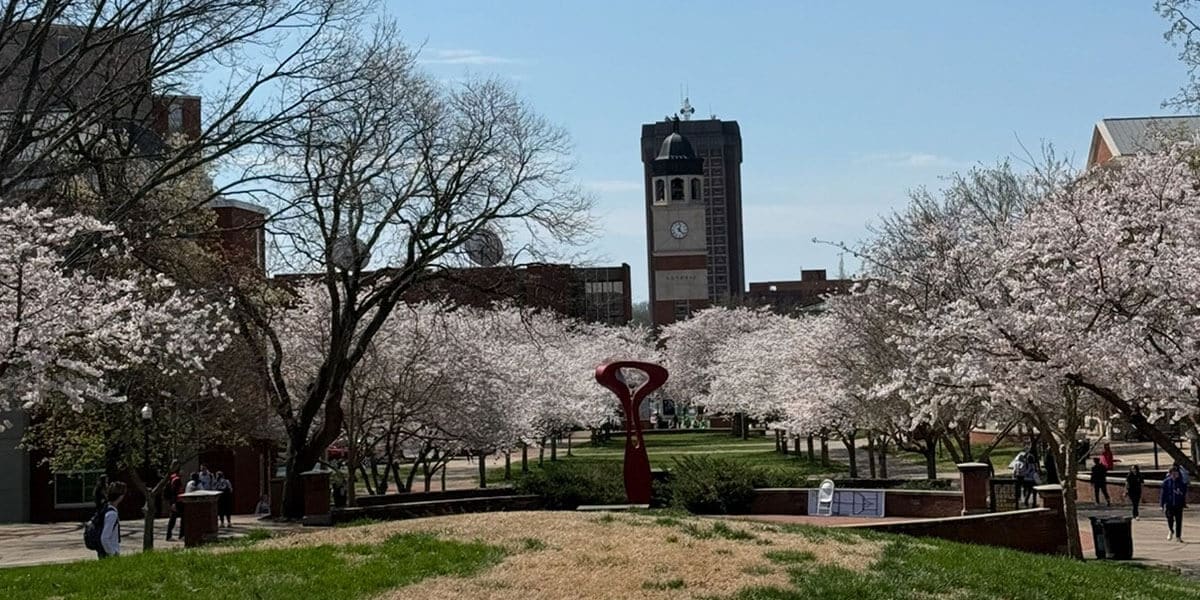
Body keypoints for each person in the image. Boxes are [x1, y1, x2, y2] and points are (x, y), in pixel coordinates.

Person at [99, 482, 127, 559]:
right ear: (120, 496)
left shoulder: (105, 508)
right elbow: (104, 538)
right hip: (109, 554)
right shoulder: (112, 514)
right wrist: (113, 553)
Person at [1162, 466, 1189, 542]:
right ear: (1170, 474)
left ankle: (1178, 536)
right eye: (1172, 473)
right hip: (1169, 504)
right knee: (1169, 518)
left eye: (1176, 473)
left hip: (1178, 504)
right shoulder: (1166, 482)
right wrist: (1162, 504)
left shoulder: (1181, 483)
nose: (1174, 475)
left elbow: (1183, 493)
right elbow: (1163, 494)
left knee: (1179, 520)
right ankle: (1171, 530)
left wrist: (1183, 501)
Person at [164, 467, 184, 541]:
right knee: (182, 518)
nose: (183, 471)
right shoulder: (177, 480)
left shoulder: (172, 478)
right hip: (177, 502)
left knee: (173, 519)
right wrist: (174, 503)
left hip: (174, 502)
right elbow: (174, 492)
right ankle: (181, 535)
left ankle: (169, 535)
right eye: (182, 470)